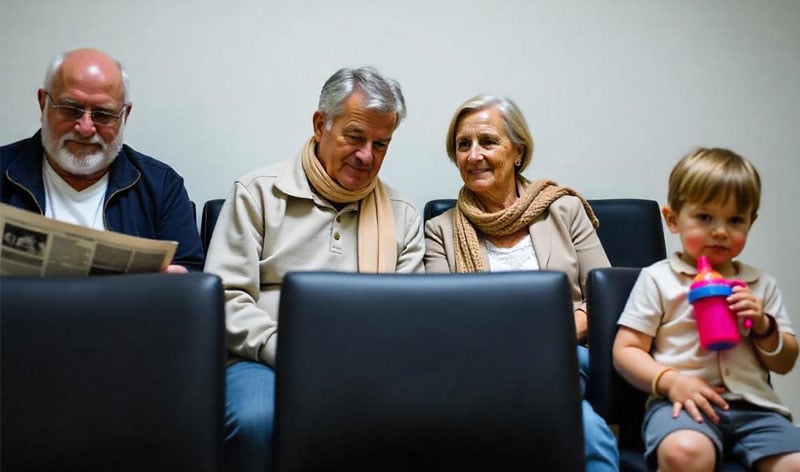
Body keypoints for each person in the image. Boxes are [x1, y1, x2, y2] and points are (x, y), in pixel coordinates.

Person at [204, 66, 425, 472]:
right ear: (320, 124)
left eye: (381, 144)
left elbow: (408, 317)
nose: (366, 156)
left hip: (365, 365)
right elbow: (225, 297)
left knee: (421, 418)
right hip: (263, 360)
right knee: (256, 422)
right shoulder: (257, 192)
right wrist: (285, 349)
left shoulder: (403, 214)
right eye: (355, 137)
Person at [424, 94, 619, 472]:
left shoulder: (564, 210)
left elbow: (604, 301)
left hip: (566, 355)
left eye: (488, 141)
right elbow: (441, 321)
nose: (473, 154)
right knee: (589, 433)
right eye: (463, 145)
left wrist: (552, 336)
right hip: (479, 366)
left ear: (518, 151)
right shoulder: (439, 230)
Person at [613, 147, 800, 472]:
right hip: (682, 404)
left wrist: (762, 326)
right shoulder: (659, 279)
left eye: (735, 220)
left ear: (750, 224)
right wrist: (670, 382)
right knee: (685, 452)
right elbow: (626, 350)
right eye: (704, 217)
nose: (721, 231)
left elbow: (785, 362)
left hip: (756, 408)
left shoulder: (759, 285)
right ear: (673, 219)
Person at [0, 48, 204, 272]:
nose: (86, 128)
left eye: (103, 114)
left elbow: (192, 273)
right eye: (70, 109)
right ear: (43, 103)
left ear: (124, 115)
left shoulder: (162, 186)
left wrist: (181, 282)